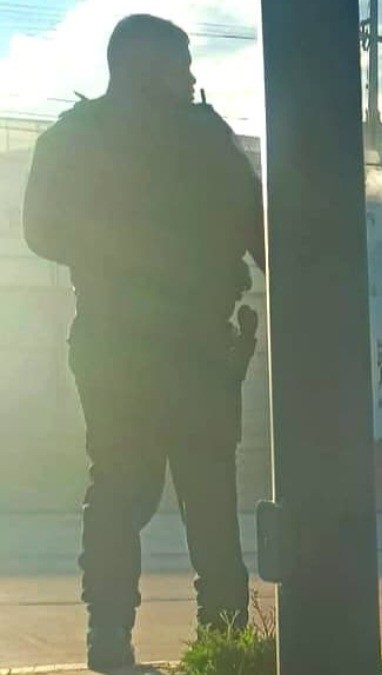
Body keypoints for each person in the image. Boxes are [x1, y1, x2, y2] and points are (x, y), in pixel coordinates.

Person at [22, 14, 265, 671]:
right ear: (145, 66)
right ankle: (223, 648)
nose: (191, 78)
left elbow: (40, 231)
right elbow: (260, 230)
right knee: (206, 499)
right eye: (180, 65)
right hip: (183, 350)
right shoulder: (202, 135)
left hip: (115, 347)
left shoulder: (74, 137)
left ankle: (112, 644)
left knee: (122, 489)